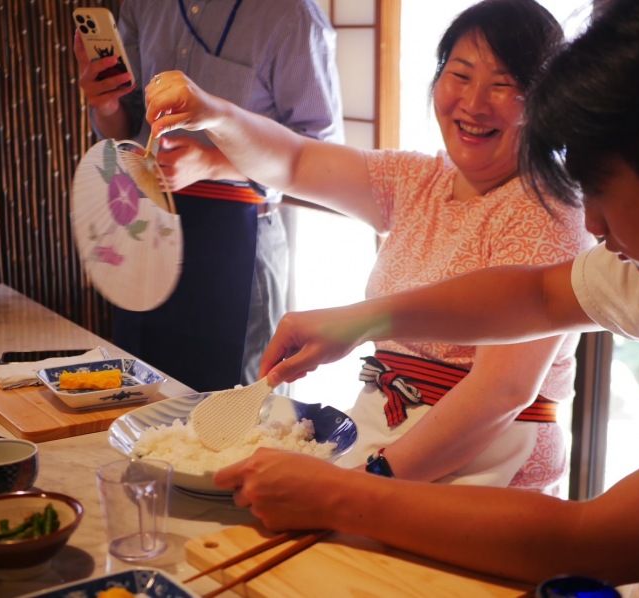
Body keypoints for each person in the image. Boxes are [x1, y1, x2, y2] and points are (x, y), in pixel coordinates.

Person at [203, 0, 639, 594]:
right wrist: (356, 322)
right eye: (459, 75)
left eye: (601, 190)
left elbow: (585, 541)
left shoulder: (565, 218)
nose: (590, 224)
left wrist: (345, 491)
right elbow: (536, 295)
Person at [144, 0, 592, 493]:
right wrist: (215, 115)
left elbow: (500, 392)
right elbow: (294, 161)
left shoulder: (548, 208)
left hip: (486, 470)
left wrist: (370, 482)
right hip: (384, 440)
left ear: (546, 99)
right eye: (460, 75)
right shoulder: (419, 178)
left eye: (504, 84)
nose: (474, 102)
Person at [73, 0, 343, 391]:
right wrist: (104, 102)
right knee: (140, 399)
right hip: (147, 228)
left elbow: (322, 154)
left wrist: (213, 163)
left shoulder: (291, 14)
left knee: (238, 414)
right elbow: (124, 127)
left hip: (238, 238)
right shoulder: (143, 5)